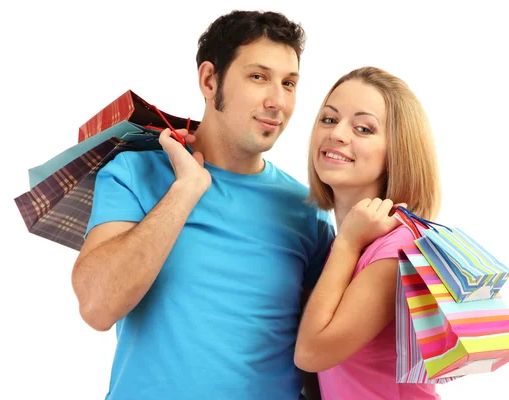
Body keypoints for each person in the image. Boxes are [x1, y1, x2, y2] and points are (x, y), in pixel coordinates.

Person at [71, 10, 335, 400]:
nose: (278, 101)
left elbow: (320, 360)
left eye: (289, 83)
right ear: (210, 80)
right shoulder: (135, 173)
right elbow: (97, 306)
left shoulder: (306, 210)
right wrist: (185, 191)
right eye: (258, 76)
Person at [294, 66, 442, 399]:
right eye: (329, 120)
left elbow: (311, 353)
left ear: (397, 152)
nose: (338, 134)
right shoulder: (350, 244)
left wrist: (347, 241)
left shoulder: (398, 249)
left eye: (363, 128)